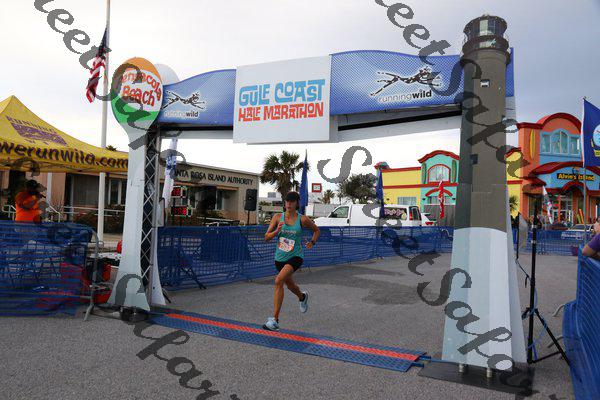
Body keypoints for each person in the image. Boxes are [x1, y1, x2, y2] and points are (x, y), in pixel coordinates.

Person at [263, 191, 320, 331]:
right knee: (290, 286)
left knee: (278, 280)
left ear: (296, 203)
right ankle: (302, 297)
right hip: (280, 258)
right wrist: (276, 231)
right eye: (287, 201)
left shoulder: (303, 219)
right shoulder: (277, 218)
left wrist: (312, 242)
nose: (289, 204)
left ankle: (274, 320)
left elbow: (316, 230)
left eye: (292, 201)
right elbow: (266, 237)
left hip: (295, 256)